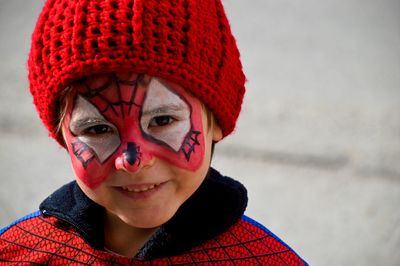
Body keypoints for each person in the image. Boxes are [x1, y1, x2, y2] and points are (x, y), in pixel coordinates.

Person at [0, 0, 307, 265]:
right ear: (62, 136)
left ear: (215, 121)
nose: (133, 160)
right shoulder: (18, 253)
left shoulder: (265, 260)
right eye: (98, 128)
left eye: (162, 121)